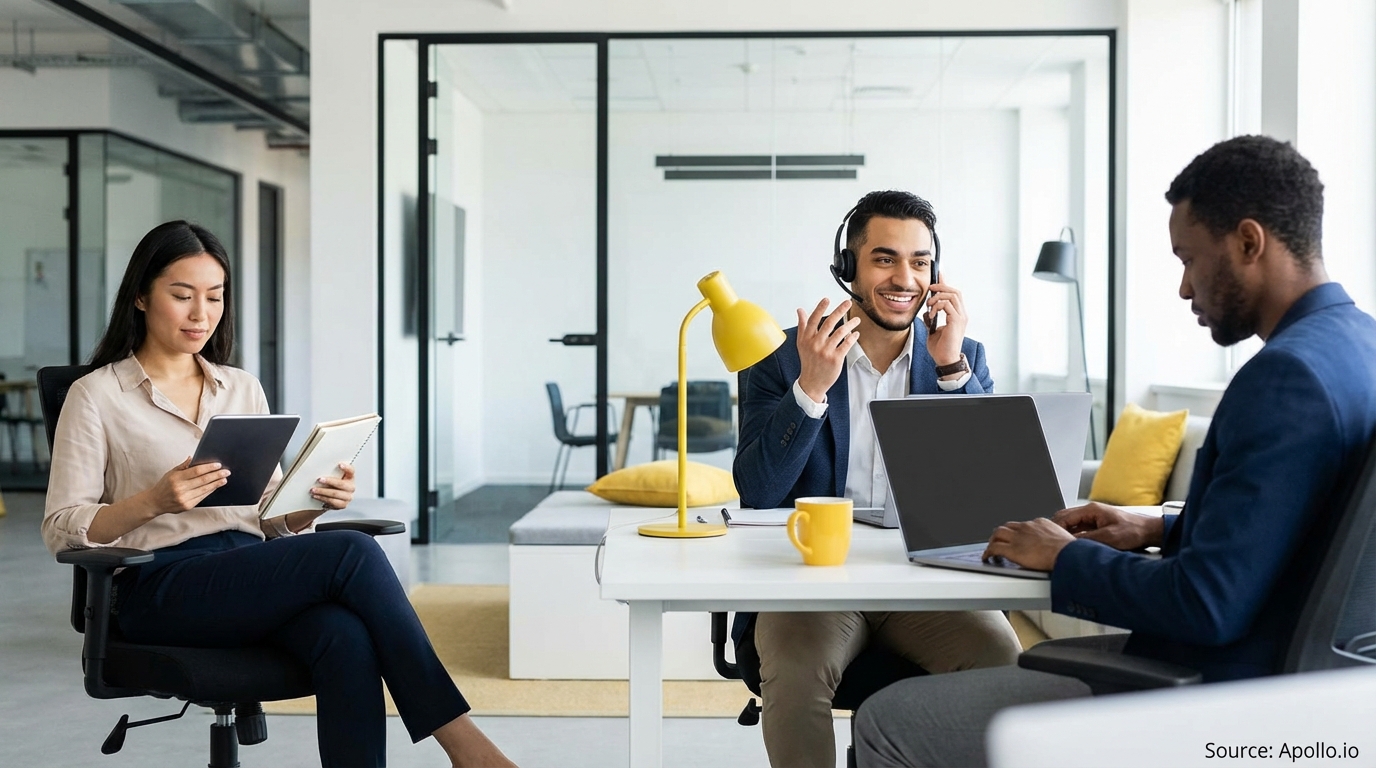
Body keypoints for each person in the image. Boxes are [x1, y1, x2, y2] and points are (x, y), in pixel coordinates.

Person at [854, 136, 1376, 767]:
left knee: (887, 719)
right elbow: (1309, 530)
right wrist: (1157, 524)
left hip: (1221, 703)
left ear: (1247, 242)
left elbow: (1204, 604)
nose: (1185, 288)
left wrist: (1064, 556)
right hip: (1322, 698)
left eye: (1189, 258)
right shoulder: (1357, 349)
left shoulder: (1284, 378)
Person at [41, 221, 516, 768]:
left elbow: (268, 515)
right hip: (157, 583)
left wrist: (313, 501)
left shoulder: (240, 386)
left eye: (215, 297)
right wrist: (154, 500)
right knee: (352, 550)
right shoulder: (97, 394)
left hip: (244, 569)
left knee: (343, 635)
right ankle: (464, 744)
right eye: (182, 295)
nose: (201, 313)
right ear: (142, 297)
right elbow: (62, 526)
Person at [733, 190, 1023, 767]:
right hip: (810, 584)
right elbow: (759, 491)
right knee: (792, 679)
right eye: (885, 258)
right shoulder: (783, 358)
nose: (905, 278)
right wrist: (811, 388)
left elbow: (992, 498)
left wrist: (949, 370)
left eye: (920, 262)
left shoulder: (962, 358)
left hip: (922, 582)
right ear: (850, 268)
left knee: (1006, 665)